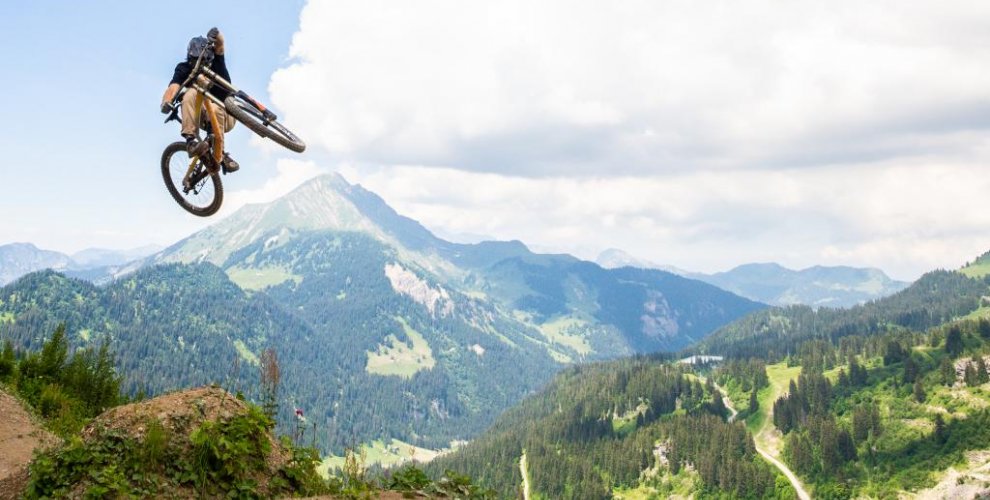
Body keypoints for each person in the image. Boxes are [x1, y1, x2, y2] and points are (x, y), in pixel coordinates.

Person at [160, 27, 239, 172]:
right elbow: (173, 87)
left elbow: (220, 44)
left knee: (215, 108)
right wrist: (166, 101)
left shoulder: (217, 61)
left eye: (205, 61)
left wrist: (217, 34)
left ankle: (221, 153)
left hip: (227, 114)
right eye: (196, 61)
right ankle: (191, 142)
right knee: (190, 92)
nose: (201, 65)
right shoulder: (184, 68)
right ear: (190, 58)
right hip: (202, 116)